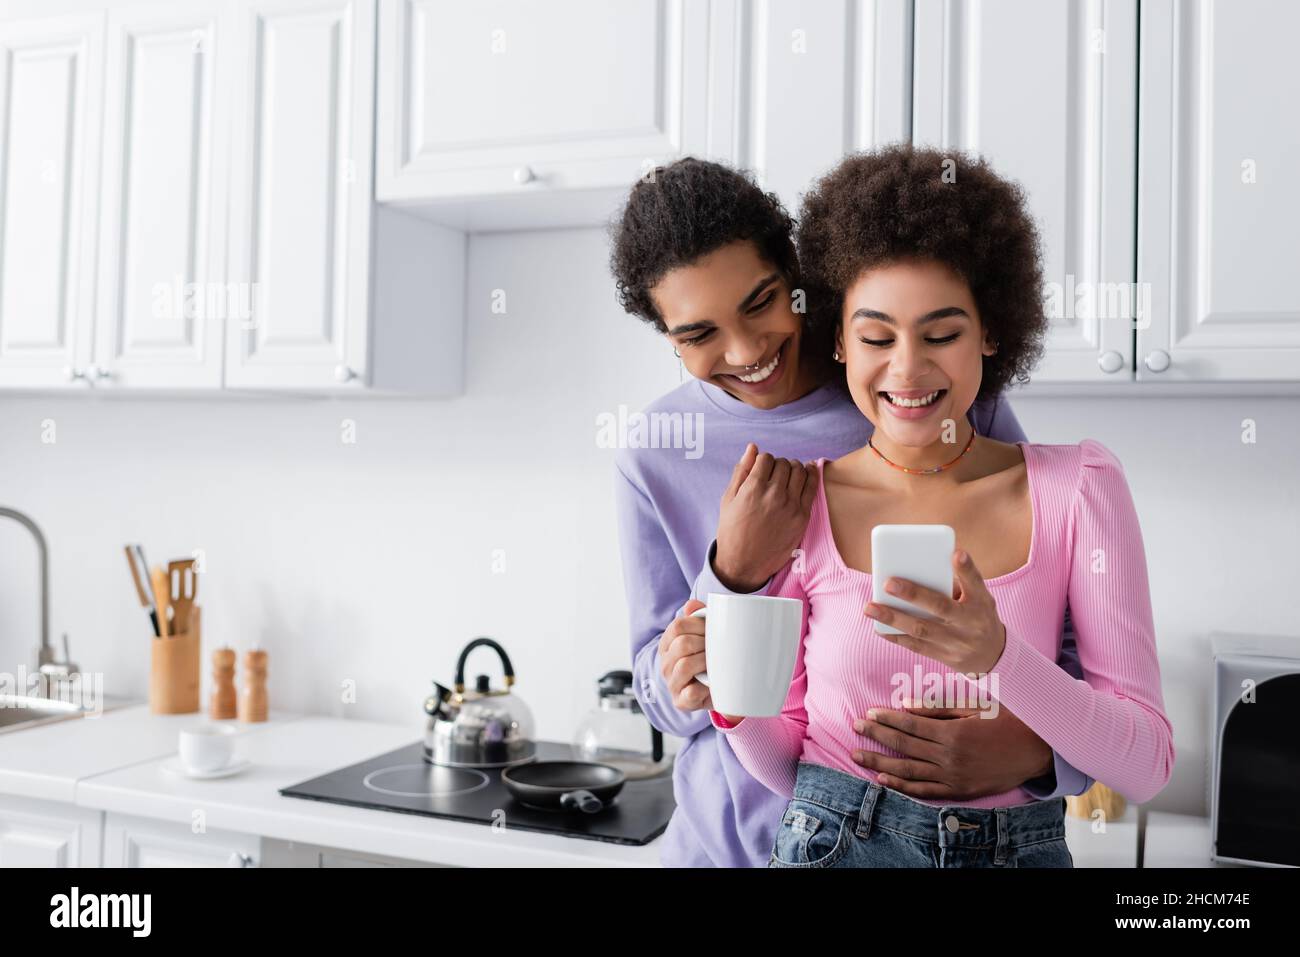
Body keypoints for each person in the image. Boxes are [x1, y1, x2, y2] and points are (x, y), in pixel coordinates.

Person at [609, 156, 1093, 868]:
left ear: (798, 276)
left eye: (760, 301)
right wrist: (731, 572)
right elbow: (658, 696)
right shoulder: (654, 451)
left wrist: (1041, 753)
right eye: (697, 334)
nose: (744, 351)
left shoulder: (917, 389)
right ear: (667, 336)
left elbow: (1070, 638)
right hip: (729, 848)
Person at [702, 144, 1175, 867]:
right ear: (839, 340)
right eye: (876, 336)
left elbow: (1146, 762)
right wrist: (727, 693)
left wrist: (999, 661)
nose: (907, 368)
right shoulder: (802, 504)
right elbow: (786, 763)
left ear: (991, 329)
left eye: (942, 333)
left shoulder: (1078, 487)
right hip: (832, 844)